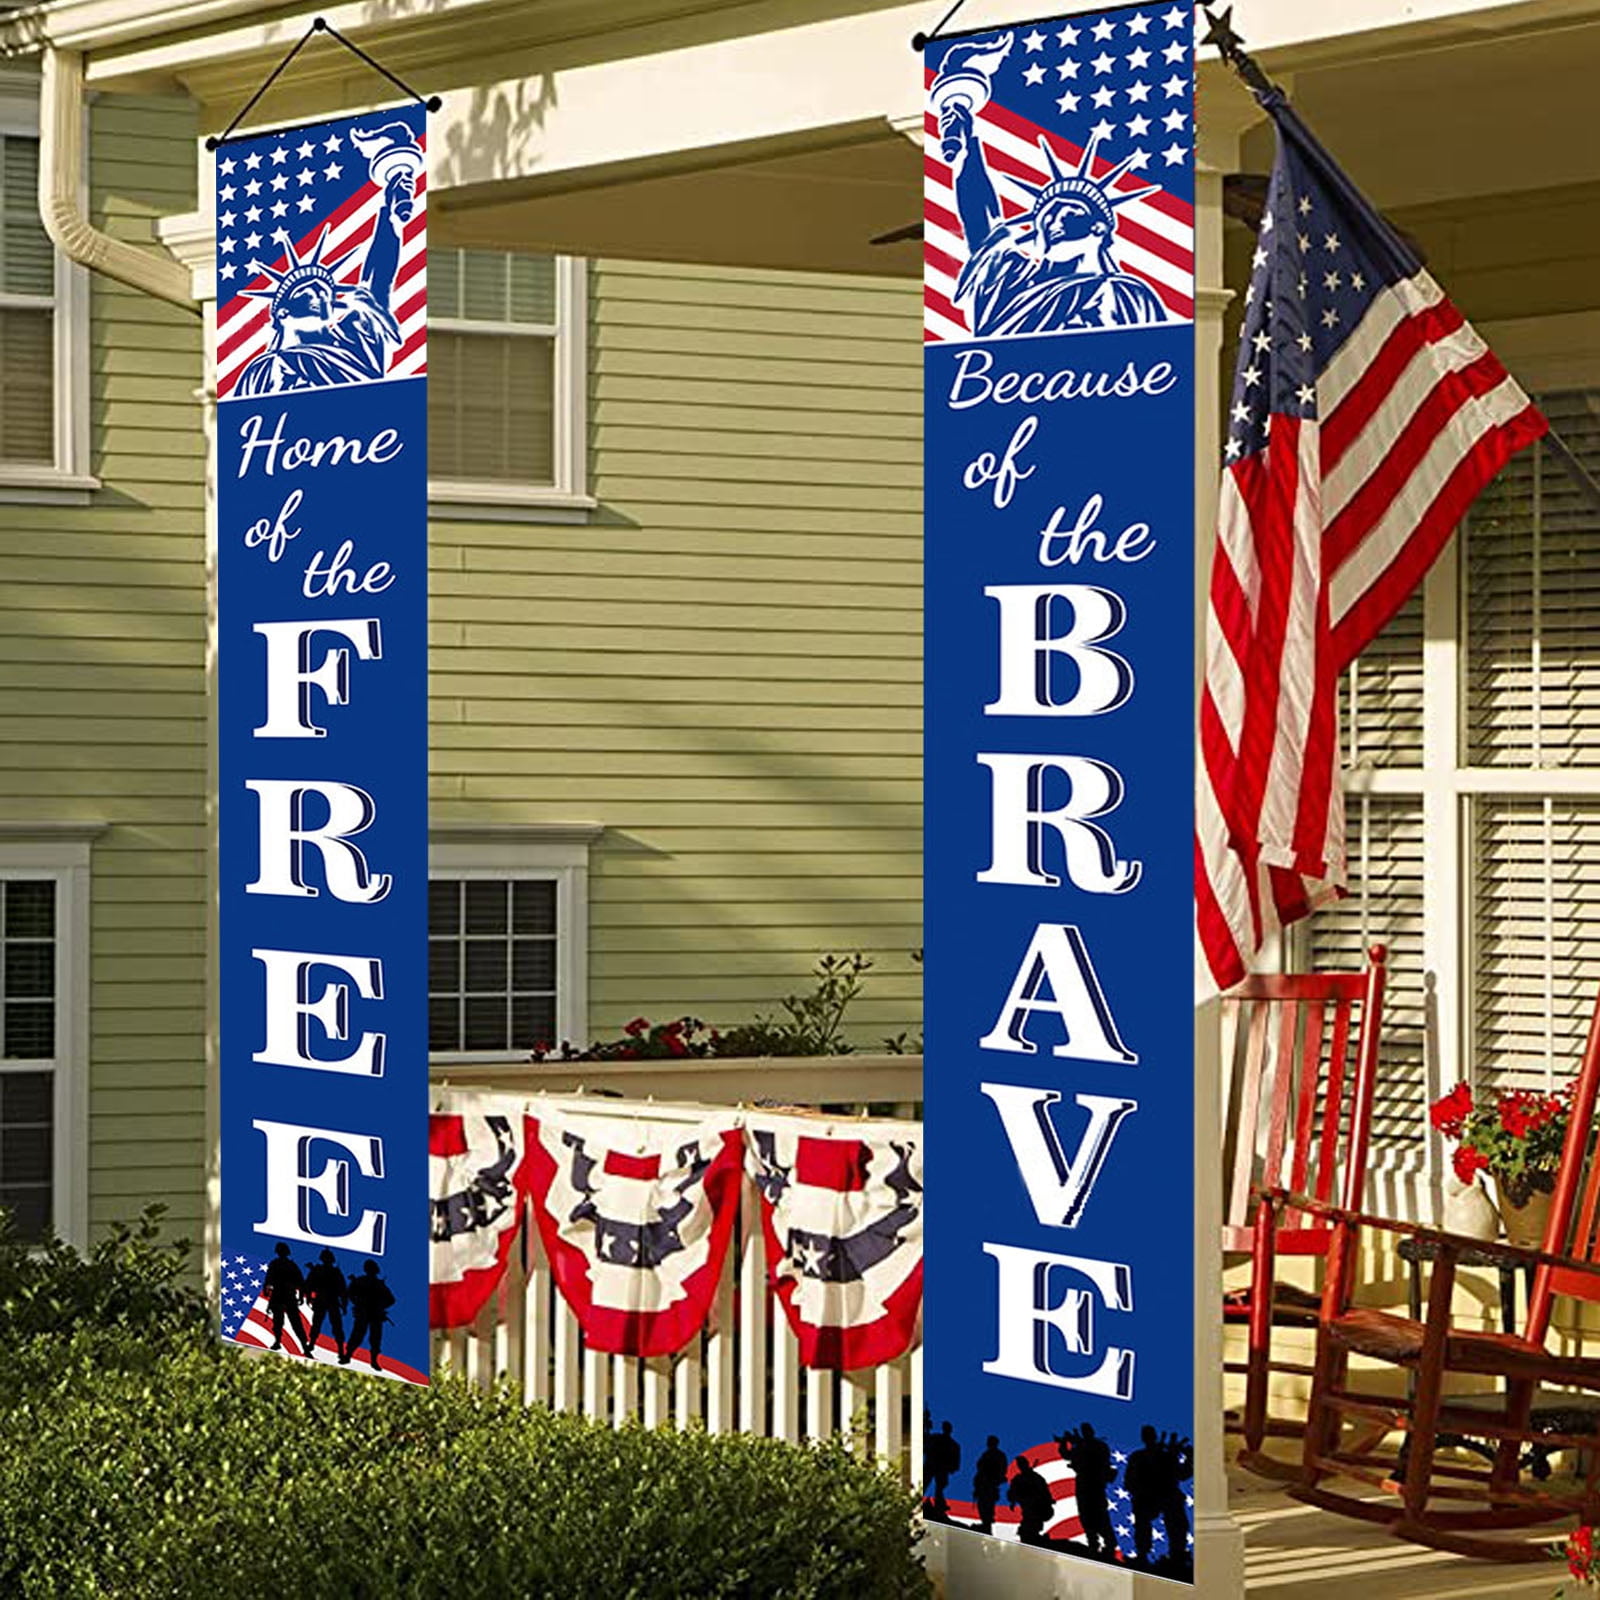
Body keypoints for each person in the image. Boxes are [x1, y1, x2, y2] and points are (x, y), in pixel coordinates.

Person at [933, 36, 1168, 338]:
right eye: (1045, 218)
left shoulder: (1127, 295)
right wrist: (966, 144)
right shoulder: (1012, 285)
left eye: (1069, 214)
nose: (1053, 222)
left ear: (1099, 228)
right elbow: (983, 221)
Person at [233, 122, 420, 395]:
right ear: (282, 311)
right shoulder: (262, 372)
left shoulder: (354, 347)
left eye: (324, 292)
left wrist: (389, 217)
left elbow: (376, 282)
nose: (322, 296)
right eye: (309, 292)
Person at [1058, 1422, 1117, 1558]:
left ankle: (1107, 1544)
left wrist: (1072, 1443)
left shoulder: (1094, 1446)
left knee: (1098, 1515)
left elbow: (1069, 1455)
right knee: (1087, 1515)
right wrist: (1066, 1442)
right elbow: (1067, 1455)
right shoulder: (1090, 1446)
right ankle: (1095, 1544)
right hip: (1087, 1484)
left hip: (1093, 1483)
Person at [342, 1258, 395, 1370]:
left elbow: (391, 1300)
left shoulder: (378, 1284)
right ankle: (348, 1356)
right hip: (364, 1313)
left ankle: (373, 1361)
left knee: (374, 1339)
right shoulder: (360, 1281)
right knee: (357, 1336)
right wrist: (358, 1302)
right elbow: (349, 1293)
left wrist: (380, 1307)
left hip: (374, 1314)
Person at [262, 1240, 309, 1354]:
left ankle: (304, 1345)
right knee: (279, 1323)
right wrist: (267, 1290)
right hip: (280, 1296)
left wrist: (301, 1296)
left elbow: (300, 1282)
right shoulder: (279, 1264)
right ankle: (278, 1342)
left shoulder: (288, 1265)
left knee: (295, 1323)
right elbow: (268, 1280)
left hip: (287, 1296)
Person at [301, 1248, 348, 1360]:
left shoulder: (334, 1272)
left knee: (335, 1326)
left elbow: (342, 1290)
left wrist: (344, 1304)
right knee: (318, 1324)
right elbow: (309, 1285)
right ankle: (312, 1344)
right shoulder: (320, 1271)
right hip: (323, 1300)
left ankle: (340, 1349)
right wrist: (308, 1297)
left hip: (330, 1301)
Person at [1007, 1453, 1054, 1546]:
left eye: (1022, 1464)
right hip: (1027, 1507)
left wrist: (1047, 1500)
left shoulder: (1035, 1478)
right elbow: (1012, 1492)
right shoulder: (1019, 1479)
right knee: (1028, 1528)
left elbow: (1044, 1490)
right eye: (1019, 1464)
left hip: (1036, 1508)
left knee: (1032, 1527)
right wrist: (1013, 1502)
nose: (1021, 1466)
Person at [971, 1435, 1009, 1535]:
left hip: (990, 1484)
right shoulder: (988, 1454)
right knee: (984, 1506)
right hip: (984, 1484)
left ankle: (986, 1526)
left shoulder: (996, 1455)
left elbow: (1001, 1471)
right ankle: (986, 1525)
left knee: (986, 1506)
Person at [924, 1420, 961, 1518]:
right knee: (927, 1484)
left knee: (939, 1488)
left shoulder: (952, 1444)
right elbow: (926, 1443)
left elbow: (956, 1460)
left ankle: (939, 1506)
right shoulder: (938, 1438)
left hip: (940, 1468)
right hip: (933, 1466)